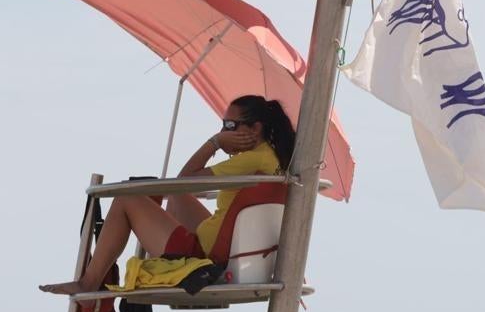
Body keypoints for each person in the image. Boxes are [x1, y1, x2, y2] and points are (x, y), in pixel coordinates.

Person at [39, 95, 295, 299]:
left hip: (203, 255)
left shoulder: (250, 161)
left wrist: (215, 142)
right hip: (223, 242)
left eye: (230, 126)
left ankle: (89, 281)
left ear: (255, 128)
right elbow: (183, 190)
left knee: (126, 198)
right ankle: (152, 242)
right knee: (173, 197)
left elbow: (184, 180)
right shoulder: (271, 158)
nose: (224, 130)